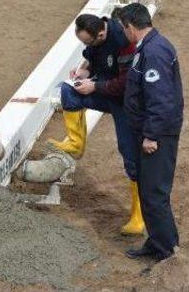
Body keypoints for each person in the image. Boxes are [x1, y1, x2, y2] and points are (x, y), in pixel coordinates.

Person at [48, 12, 145, 235]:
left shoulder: (123, 41)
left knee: (130, 155)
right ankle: (75, 143)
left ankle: (139, 217)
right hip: (106, 92)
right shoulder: (96, 37)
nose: (86, 45)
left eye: (87, 42)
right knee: (68, 91)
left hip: (126, 103)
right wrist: (85, 70)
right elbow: (93, 59)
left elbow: (125, 83)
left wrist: (94, 87)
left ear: (101, 33)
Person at [119, 2, 184, 261]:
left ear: (130, 27)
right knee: (150, 192)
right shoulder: (151, 47)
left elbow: (161, 100)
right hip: (150, 130)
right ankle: (158, 242)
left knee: (155, 194)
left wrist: (151, 136)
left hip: (157, 135)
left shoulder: (154, 52)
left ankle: (167, 251)